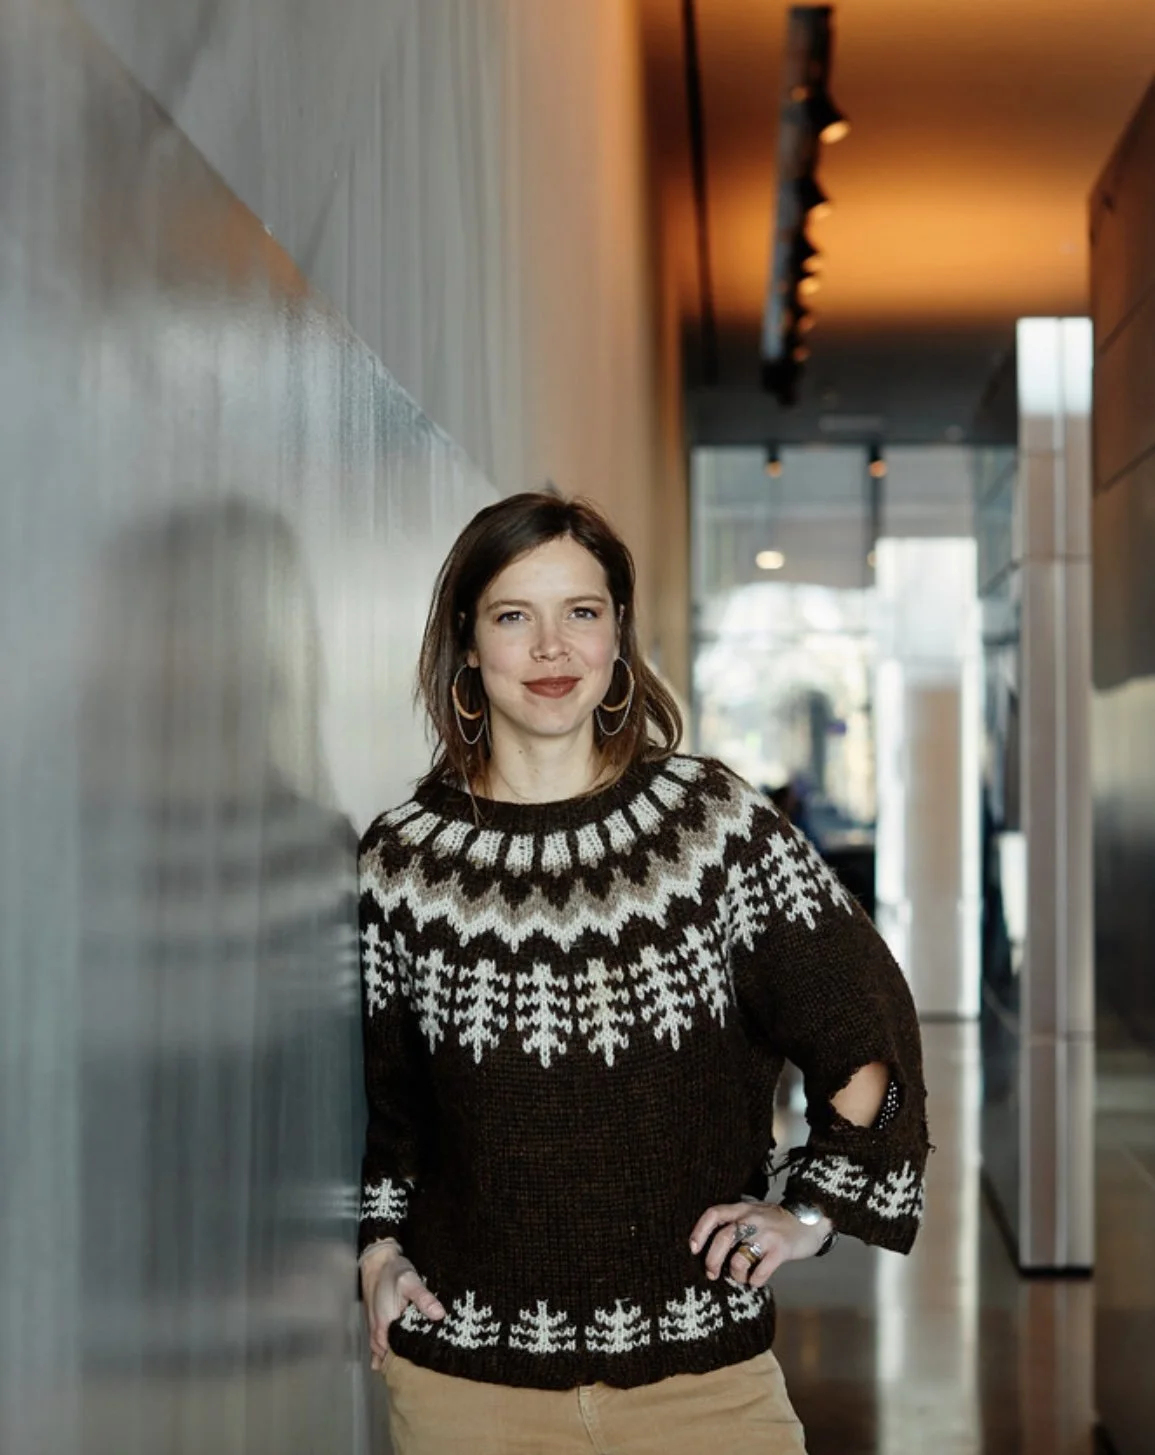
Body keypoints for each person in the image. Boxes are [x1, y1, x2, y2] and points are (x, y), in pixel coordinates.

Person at [357, 493, 929, 1453]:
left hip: (703, 1389)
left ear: (617, 637)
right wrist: (377, 1251)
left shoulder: (707, 826)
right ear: (466, 643)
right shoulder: (404, 861)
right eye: (512, 615)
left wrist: (809, 1212)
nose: (551, 647)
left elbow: (862, 1031)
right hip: (466, 1391)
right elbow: (393, 1110)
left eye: (580, 612)